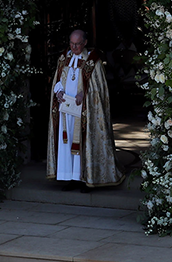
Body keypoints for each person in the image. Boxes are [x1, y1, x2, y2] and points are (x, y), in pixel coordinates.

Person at [47, 29, 123, 188]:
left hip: (85, 110)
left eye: (77, 44)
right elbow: (58, 78)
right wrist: (59, 91)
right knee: (65, 142)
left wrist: (84, 94)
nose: (74, 47)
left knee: (84, 142)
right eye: (71, 44)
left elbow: (98, 88)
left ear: (85, 43)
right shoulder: (64, 57)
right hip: (66, 109)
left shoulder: (92, 60)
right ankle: (67, 177)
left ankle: (84, 178)